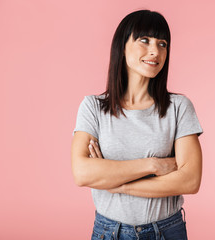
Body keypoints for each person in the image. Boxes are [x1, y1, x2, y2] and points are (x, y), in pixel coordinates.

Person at [71, 9, 203, 240]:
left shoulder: (179, 107)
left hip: (166, 232)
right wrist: (153, 165)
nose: (156, 51)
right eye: (145, 40)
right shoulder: (93, 107)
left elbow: (190, 180)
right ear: (122, 46)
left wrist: (116, 185)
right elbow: (82, 173)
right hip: (109, 233)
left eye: (162, 44)